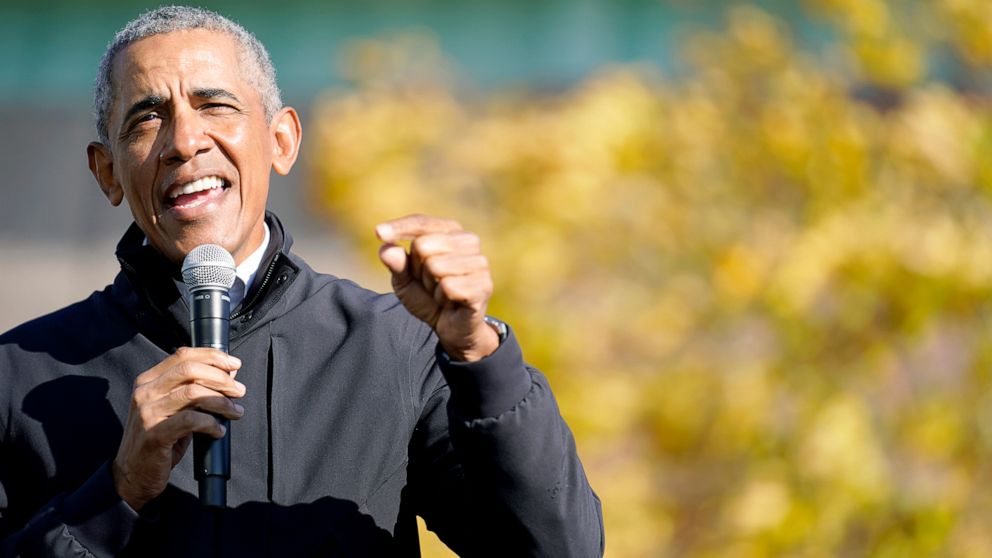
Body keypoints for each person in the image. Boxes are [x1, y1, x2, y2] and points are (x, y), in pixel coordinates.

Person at [0, 6, 603, 557]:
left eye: (215, 105)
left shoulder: (395, 348)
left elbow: (557, 549)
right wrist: (119, 490)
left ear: (281, 140)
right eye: (146, 118)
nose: (184, 141)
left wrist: (478, 354)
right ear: (107, 172)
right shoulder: (17, 374)